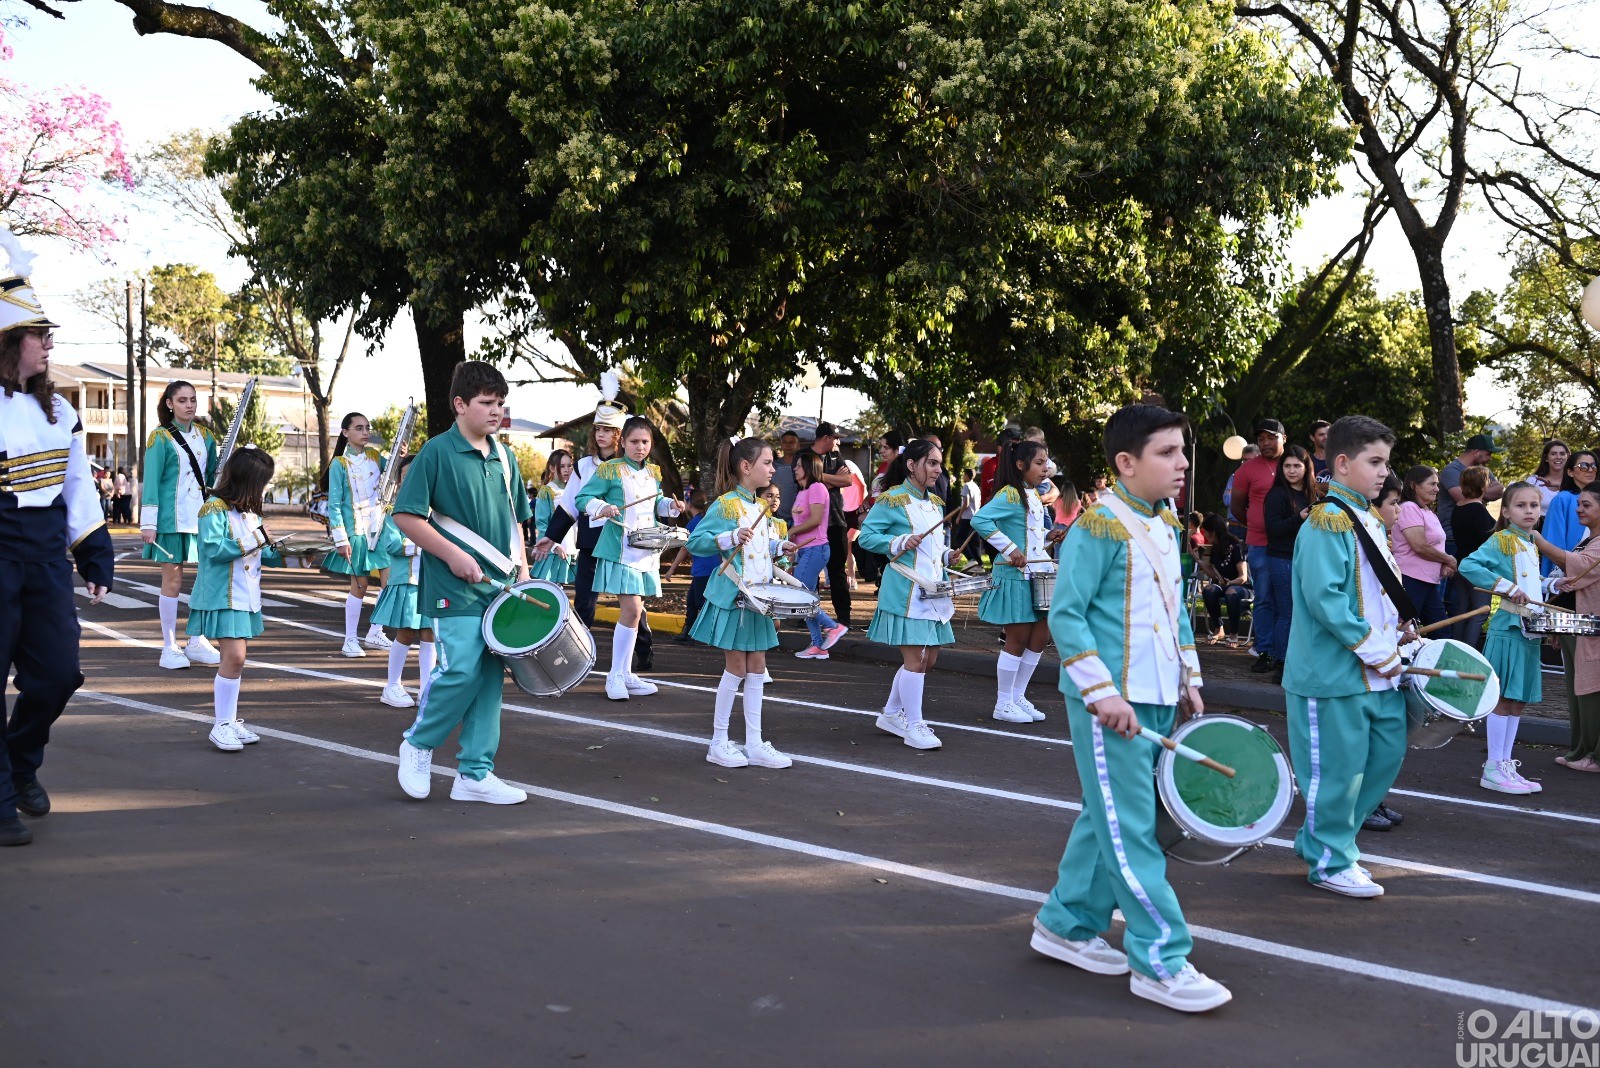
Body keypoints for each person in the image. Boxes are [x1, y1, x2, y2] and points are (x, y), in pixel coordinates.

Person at [1034, 403, 1227, 1013]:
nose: (1182, 463)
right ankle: (1161, 959)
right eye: (1166, 453)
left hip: (1158, 693)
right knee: (1131, 827)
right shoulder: (1099, 525)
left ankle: (1065, 924)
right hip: (1111, 705)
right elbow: (1066, 615)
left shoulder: (1165, 524)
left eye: (1182, 450)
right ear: (1126, 462)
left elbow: (1174, 613)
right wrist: (1102, 694)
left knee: (1108, 816)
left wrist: (1189, 676)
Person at [0, 258, 114, 846]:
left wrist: (95, 553)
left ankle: (20, 766)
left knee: (59, 673)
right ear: (9, 342)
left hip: (44, 553)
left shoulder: (61, 410)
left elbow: (77, 487)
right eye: (37, 336)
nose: (47, 345)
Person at [393, 361, 532, 805]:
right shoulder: (436, 452)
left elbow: (517, 523)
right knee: (462, 668)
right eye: (486, 403)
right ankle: (418, 742)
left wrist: (524, 569)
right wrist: (453, 555)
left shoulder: (506, 456)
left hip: (502, 586)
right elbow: (406, 515)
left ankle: (474, 773)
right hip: (453, 588)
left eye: (500, 404)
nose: (496, 412)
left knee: (491, 677)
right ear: (459, 404)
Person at [1282, 415, 1409, 898]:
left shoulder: (1368, 519)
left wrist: (1403, 632)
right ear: (1341, 462)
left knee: (1383, 755)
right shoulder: (1326, 521)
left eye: (1385, 463)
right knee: (1337, 771)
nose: (1383, 472)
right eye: (1374, 462)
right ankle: (1330, 859)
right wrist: (1379, 649)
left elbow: (1376, 594)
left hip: (1376, 672)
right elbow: (1326, 600)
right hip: (1332, 674)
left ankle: (1325, 840)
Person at [687, 438, 799, 769]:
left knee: (757, 668)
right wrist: (729, 538)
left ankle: (754, 743)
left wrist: (779, 547)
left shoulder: (759, 505)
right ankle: (718, 742)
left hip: (758, 598)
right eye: (767, 462)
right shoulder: (725, 505)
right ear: (746, 467)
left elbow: (758, 549)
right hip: (735, 597)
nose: (773, 468)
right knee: (736, 668)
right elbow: (696, 542)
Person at [538, 372, 655, 672]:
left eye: (608, 429)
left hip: (625, 543)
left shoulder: (631, 468)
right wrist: (551, 536)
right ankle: (577, 654)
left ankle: (643, 651)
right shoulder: (583, 466)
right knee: (585, 603)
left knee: (634, 606)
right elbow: (568, 507)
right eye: (598, 429)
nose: (601, 435)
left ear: (620, 436)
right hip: (592, 544)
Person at [856, 438, 956, 750]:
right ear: (911, 465)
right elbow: (866, 538)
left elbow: (931, 549)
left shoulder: (936, 503)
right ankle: (914, 725)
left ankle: (890, 713)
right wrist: (898, 542)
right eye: (932, 463)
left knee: (929, 660)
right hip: (906, 591)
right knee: (916, 658)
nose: (938, 470)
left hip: (934, 591)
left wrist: (947, 555)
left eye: (939, 464)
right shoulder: (891, 500)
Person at [576, 415, 685, 701]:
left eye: (645, 442)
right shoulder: (611, 470)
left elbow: (655, 504)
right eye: (634, 441)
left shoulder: (653, 473)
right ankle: (615, 675)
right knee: (633, 611)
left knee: (636, 613)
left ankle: (625, 674)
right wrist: (603, 507)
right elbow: (582, 498)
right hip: (620, 549)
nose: (640, 447)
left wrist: (671, 506)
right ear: (622, 441)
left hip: (647, 551)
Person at [187, 447, 284, 751]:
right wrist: (258, 538)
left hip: (245, 596)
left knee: (237, 661)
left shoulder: (248, 512)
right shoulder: (212, 508)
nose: (264, 489)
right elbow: (215, 550)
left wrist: (294, 556)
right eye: (262, 483)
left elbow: (263, 554)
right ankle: (221, 725)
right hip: (221, 595)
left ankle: (229, 721)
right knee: (235, 658)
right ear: (247, 481)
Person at [1458, 481, 1546, 796]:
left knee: (1518, 701)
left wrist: (1550, 585)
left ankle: (1506, 763)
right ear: (1506, 511)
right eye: (1521, 506)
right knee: (1503, 699)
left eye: (1534, 505)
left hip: (1529, 630)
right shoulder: (1502, 540)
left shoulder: (1530, 543)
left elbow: (1528, 584)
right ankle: (1493, 766)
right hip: (1507, 628)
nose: (1529, 511)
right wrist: (1505, 588)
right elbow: (1468, 565)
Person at [971, 437, 1064, 723]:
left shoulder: (1032, 493)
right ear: (1021, 465)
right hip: (1015, 576)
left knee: (1040, 637)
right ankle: (1003, 702)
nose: (1045, 468)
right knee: (1018, 638)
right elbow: (980, 520)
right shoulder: (1010, 493)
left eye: (1046, 462)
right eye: (1039, 463)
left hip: (1039, 572)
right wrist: (1009, 549)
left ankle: (1018, 696)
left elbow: (1029, 531)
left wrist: (1049, 536)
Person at [140, 379, 222, 671]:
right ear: (169, 404)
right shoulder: (159, 438)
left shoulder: (207, 436)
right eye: (183, 400)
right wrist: (148, 523)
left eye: (193, 400)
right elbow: (151, 481)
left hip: (202, 519)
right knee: (172, 581)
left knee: (205, 581)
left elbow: (214, 478)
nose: (189, 405)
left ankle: (197, 641)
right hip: (171, 519)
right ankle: (169, 646)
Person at [1535, 484, 1600, 773]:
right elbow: (1568, 583)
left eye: (1586, 505)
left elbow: (1579, 567)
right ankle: (1580, 750)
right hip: (1574, 625)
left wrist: (1538, 540)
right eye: (1579, 504)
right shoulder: (1590, 538)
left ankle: (1595, 755)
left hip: (1591, 627)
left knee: (1591, 691)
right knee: (1577, 691)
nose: (1578, 509)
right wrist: (1555, 628)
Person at [319, 412, 395, 657]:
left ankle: (375, 631)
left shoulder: (374, 456)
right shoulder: (339, 464)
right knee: (360, 586)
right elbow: (334, 504)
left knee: (390, 582)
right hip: (356, 532)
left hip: (380, 529)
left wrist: (401, 455)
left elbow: (394, 472)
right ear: (345, 433)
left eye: (367, 427)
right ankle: (350, 639)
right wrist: (341, 539)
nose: (365, 432)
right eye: (359, 428)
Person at [1361, 474, 1407, 833]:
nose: (1398, 510)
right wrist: (1381, 652)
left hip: (1384, 652)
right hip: (1366, 659)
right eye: (1393, 503)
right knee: (1363, 745)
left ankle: (1372, 799)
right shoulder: (1354, 531)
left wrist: (1403, 626)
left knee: (1386, 743)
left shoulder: (1381, 537)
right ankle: (1363, 805)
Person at [372, 456, 436, 709]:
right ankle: (392, 686)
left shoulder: (435, 511)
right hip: (406, 579)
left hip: (430, 580)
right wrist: (424, 545)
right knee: (406, 633)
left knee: (430, 634)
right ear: (398, 480)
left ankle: (426, 689)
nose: (411, 479)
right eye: (405, 474)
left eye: (416, 474)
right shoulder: (392, 511)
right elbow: (391, 545)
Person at [1229, 419, 1285, 671]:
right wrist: (1256, 523)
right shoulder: (1247, 470)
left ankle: (1285, 653)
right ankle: (1265, 650)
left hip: (1290, 543)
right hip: (1260, 543)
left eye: (1271, 438)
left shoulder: (1294, 463)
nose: (1265, 443)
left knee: (1289, 599)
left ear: (1284, 437)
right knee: (1263, 597)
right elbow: (1237, 507)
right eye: (1261, 439)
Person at [1263, 445, 1321, 680]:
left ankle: (1297, 662)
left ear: (1307, 467)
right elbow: (1273, 530)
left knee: (1301, 613)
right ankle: (1282, 664)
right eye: (1287, 466)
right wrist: (1300, 517)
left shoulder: (1312, 494)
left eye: (1297, 465)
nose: (1292, 470)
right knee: (1287, 613)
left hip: (1305, 560)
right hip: (1281, 559)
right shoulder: (1277, 494)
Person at [789, 450, 849, 659]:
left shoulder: (817, 488)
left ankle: (833, 627)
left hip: (816, 548)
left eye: (798, 465)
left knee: (800, 597)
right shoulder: (803, 490)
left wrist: (791, 533)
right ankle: (818, 645)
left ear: (807, 467)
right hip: (805, 550)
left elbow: (814, 520)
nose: (794, 469)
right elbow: (800, 521)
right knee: (808, 600)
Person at [1392, 465, 1455, 628]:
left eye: (1437, 484)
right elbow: (1419, 546)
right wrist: (1448, 559)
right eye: (1432, 484)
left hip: (1427, 580)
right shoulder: (1408, 508)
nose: (1437, 489)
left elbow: (1434, 545)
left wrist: (1442, 564)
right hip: (1411, 578)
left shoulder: (1427, 511)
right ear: (1414, 485)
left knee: (1441, 629)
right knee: (1403, 628)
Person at [810, 422, 854, 627]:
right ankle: (808, 614)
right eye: (835, 438)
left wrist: (820, 478)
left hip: (837, 520)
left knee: (837, 570)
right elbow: (807, 483)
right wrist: (834, 479)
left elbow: (848, 481)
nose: (838, 442)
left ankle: (844, 617)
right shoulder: (805, 457)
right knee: (810, 569)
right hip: (813, 522)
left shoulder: (836, 456)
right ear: (826, 438)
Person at [1449, 465, 1498, 647]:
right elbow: (1486, 541)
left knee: (1463, 609)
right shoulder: (1477, 510)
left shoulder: (1458, 507)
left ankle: (1456, 646)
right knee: (1480, 612)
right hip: (1477, 568)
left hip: (1461, 563)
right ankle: (1469, 650)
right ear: (1483, 485)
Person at [1438, 433, 1504, 560]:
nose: (1490, 458)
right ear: (1477, 452)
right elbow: (1465, 498)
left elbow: (1500, 489)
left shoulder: (1482, 470)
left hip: (1476, 535)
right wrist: (1485, 490)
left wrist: (1480, 492)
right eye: (1488, 453)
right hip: (1453, 538)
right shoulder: (1451, 470)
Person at [1539, 449, 1595, 578]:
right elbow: (1553, 540)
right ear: (1570, 472)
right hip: (1567, 573)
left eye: (1593, 466)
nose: (1590, 470)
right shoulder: (1562, 499)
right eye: (1584, 466)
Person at [1197, 514, 1250, 646]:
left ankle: (1234, 635)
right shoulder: (1216, 547)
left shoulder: (1236, 546)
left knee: (1231, 592)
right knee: (1208, 590)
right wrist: (1197, 559)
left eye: (1206, 532)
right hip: (1224, 585)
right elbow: (1214, 576)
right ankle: (1218, 628)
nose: (1205, 536)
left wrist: (1229, 583)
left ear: (1213, 532)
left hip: (1241, 587)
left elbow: (1243, 577)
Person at [667, 493, 712, 641]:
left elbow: (685, 548)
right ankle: (689, 633)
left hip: (703, 569)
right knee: (692, 601)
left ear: (689, 504)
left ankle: (705, 635)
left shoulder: (693, 523)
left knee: (700, 603)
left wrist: (672, 569)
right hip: (709, 567)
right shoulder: (707, 520)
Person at [530, 448, 576, 585]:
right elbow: (542, 523)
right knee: (548, 588)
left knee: (560, 588)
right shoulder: (547, 491)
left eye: (570, 465)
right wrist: (555, 545)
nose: (567, 470)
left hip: (571, 547)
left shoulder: (573, 489)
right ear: (552, 468)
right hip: (552, 549)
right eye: (562, 466)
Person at [1221, 443, 1258, 542]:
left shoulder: (1261, 479)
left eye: (1248, 460)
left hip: (1255, 529)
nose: (1244, 463)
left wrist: (1238, 495)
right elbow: (1227, 500)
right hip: (1234, 528)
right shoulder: (1235, 477)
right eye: (1243, 460)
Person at [1528, 439, 1569, 514]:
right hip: (1539, 525)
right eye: (1553, 454)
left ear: (1568, 456)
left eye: (1562, 454)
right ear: (1546, 458)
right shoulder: (1534, 481)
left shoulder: (1574, 480)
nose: (1558, 457)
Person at [952, 467, 981, 565]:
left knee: (960, 539)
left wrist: (959, 516)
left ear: (967, 475)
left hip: (967, 517)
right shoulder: (976, 487)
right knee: (974, 541)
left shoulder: (967, 486)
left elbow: (966, 502)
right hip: (976, 516)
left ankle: (971, 559)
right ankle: (979, 563)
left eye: (964, 475)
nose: (963, 476)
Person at [771, 430, 802, 525]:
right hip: (778, 516)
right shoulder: (773, 465)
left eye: (792, 442)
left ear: (798, 445)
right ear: (781, 445)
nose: (788, 445)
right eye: (785, 442)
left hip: (799, 515)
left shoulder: (802, 465)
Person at [1308, 419, 1331, 484]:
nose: (1326, 437)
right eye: (1321, 434)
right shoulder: (1308, 462)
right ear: (1312, 437)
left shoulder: (1340, 459)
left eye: (1328, 434)